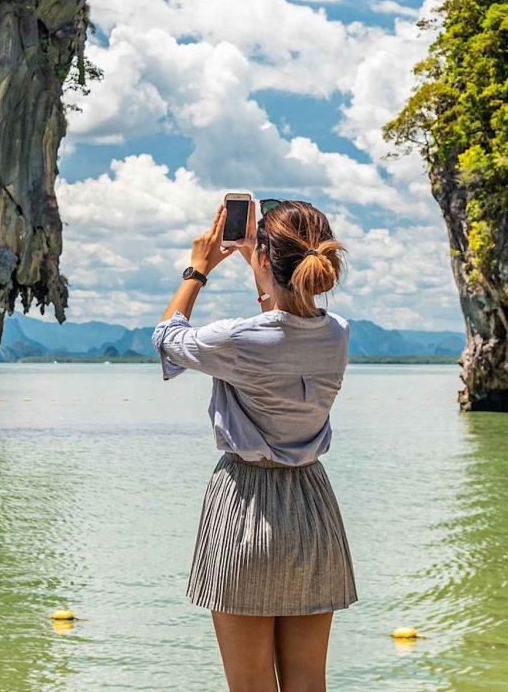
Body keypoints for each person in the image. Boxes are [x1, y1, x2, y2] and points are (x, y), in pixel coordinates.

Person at [152, 197, 356, 692]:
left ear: (267, 259)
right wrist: (259, 262)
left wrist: (198, 269)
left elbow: (166, 337)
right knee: (308, 684)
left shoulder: (236, 339)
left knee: (250, 686)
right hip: (312, 509)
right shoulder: (337, 334)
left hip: (245, 508)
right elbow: (285, 322)